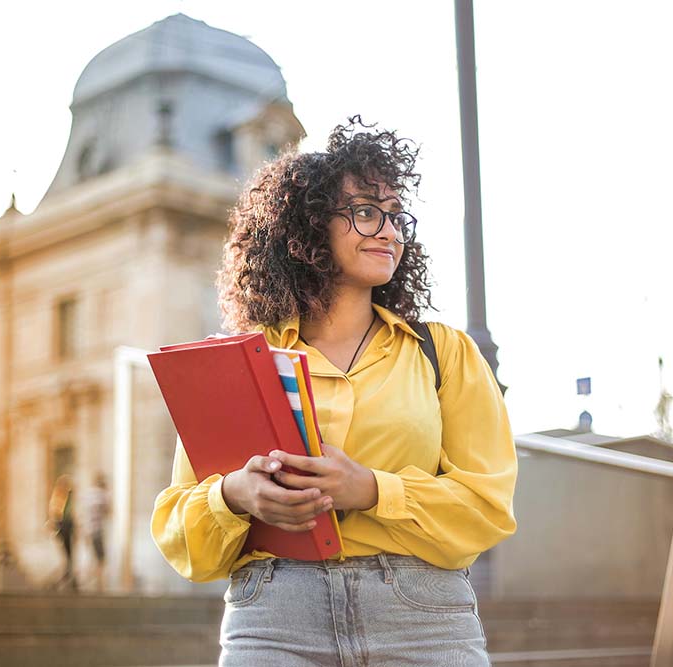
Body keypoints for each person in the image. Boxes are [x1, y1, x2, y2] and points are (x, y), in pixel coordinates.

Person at [151, 116, 517, 665]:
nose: (390, 232)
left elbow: (487, 508)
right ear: (307, 227)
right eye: (367, 212)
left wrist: (370, 489)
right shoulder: (240, 364)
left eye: (396, 216)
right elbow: (182, 534)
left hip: (421, 617)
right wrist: (234, 496)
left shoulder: (444, 352)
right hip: (273, 617)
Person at [48, 474, 77, 592]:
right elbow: (56, 513)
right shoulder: (61, 497)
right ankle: (67, 576)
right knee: (67, 553)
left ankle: (69, 576)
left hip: (65, 526)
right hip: (64, 526)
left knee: (68, 553)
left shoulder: (65, 497)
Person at [84, 472, 111, 591]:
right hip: (98, 530)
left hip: (88, 529)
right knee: (101, 558)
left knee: (92, 556)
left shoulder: (89, 494)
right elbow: (108, 511)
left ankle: (93, 582)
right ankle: (99, 584)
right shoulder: (102, 495)